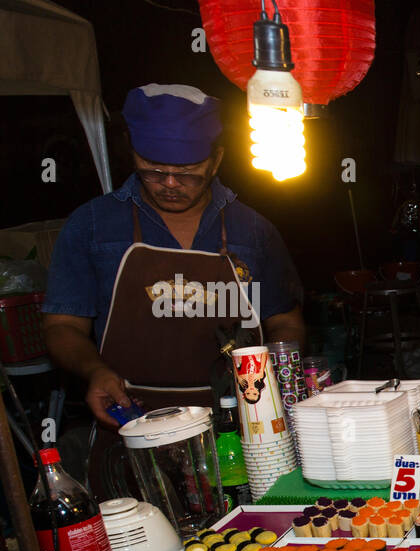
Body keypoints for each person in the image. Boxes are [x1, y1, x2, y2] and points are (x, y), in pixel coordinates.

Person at [42, 84, 305, 440]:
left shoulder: (253, 231)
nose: (168, 184)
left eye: (186, 172)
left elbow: (285, 321)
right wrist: (94, 371)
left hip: (242, 423)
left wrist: (273, 377)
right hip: (131, 422)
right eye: (151, 169)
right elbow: (62, 326)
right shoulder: (92, 226)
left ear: (216, 160)